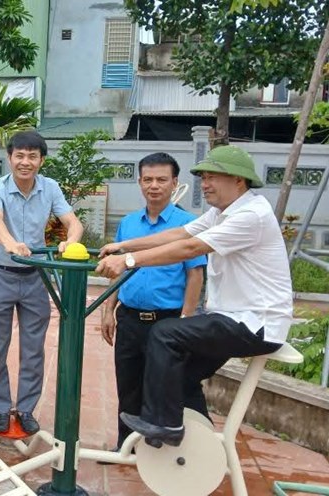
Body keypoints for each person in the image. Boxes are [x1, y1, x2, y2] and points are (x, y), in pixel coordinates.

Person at [96, 145, 290, 447]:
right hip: (233, 318)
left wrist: (128, 260)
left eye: (212, 177)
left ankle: (166, 425)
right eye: (203, 178)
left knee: (165, 334)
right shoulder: (222, 213)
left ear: (239, 181)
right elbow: (181, 234)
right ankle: (200, 450)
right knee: (181, 376)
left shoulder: (250, 215)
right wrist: (125, 246)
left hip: (255, 324)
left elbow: (190, 249)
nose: (205, 184)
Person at [98, 153, 206, 454]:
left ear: (175, 183)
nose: (154, 186)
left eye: (161, 180)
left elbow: (195, 274)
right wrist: (109, 310)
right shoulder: (129, 223)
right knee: (128, 383)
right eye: (148, 179)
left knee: (175, 385)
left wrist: (186, 318)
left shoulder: (188, 225)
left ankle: (183, 449)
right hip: (131, 319)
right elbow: (117, 270)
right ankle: (127, 447)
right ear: (139, 182)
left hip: (169, 321)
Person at [0, 130, 84, 435]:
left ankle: (25, 408)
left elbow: (73, 222)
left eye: (32, 156)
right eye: (19, 155)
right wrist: (10, 243)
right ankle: (0, 408)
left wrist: (71, 241)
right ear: (10, 157)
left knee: (33, 348)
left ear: (41, 160)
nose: (25, 162)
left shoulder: (50, 188)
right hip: (0, 274)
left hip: (36, 277)